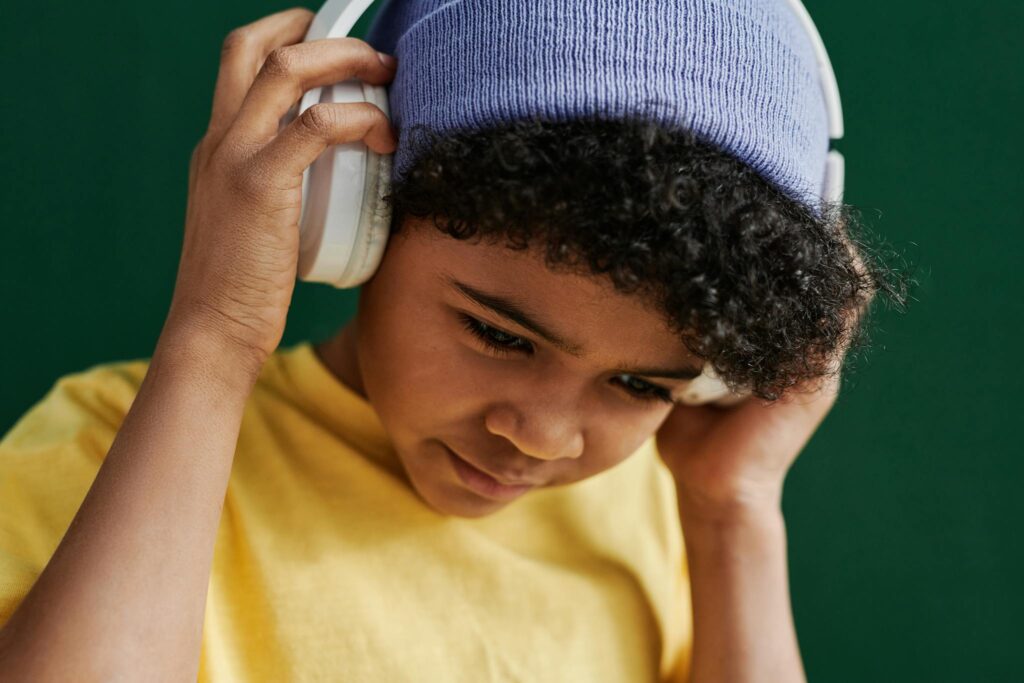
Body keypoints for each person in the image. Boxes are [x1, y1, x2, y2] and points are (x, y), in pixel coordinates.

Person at [0, 2, 906, 681]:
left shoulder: (663, 520)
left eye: (639, 384)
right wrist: (215, 331)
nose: (544, 434)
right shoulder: (110, 450)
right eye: (497, 333)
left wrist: (731, 512)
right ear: (352, 214)